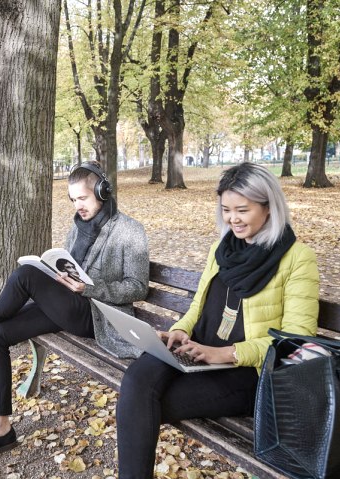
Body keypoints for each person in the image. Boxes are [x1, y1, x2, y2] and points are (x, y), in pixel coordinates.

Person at [0, 161, 150, 467]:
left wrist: (88, 288)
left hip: (99, 315)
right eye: (73, 199)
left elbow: (138, 287)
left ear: (103, 191)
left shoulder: (130, 230)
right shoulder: (77, 227)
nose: (78, 206)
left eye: (83, 198)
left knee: (25, 275)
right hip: (68, 307)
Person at [116, 162, 320, 479]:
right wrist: (180, 330)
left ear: (269, 208)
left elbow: (293, 341)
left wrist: (224, 354)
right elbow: (199, 305)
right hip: (198, 350)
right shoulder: (221, 248)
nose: (232, 219)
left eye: (243, 210)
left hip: (246, 372)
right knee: (136, 381)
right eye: (226, 210)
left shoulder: (297, 258)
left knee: (141, 404)